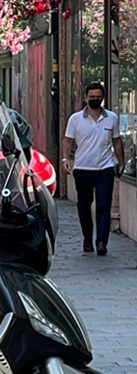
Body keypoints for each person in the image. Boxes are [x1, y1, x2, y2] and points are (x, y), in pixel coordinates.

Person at [62, 80, 125, 256]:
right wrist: (65, 159)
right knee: (84, 205)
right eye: (92, 97)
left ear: (103, 98)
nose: (95, 100)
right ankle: (87, 237)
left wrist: (121, 161)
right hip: (82, 168)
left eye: (98, 97)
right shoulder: (75, 119)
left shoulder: (111, 118)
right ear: (85, 98)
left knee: (104, 205)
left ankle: (101, 242)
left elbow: (117, 141)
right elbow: (67, 140)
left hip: (105, 168)